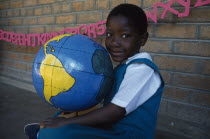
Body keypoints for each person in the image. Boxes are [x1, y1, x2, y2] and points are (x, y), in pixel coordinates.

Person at [24, 3, 164, 139]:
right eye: (110, 34)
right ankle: (45, 131)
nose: (114, 42)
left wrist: (66, 122)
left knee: (61, 132)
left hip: (127, 135)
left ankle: (42, 134)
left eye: (125, 36)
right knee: (67, 114)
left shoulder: (142, 69)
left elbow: (114, 111)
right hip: (112, 126)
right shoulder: (125, 66)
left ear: (143, 39)